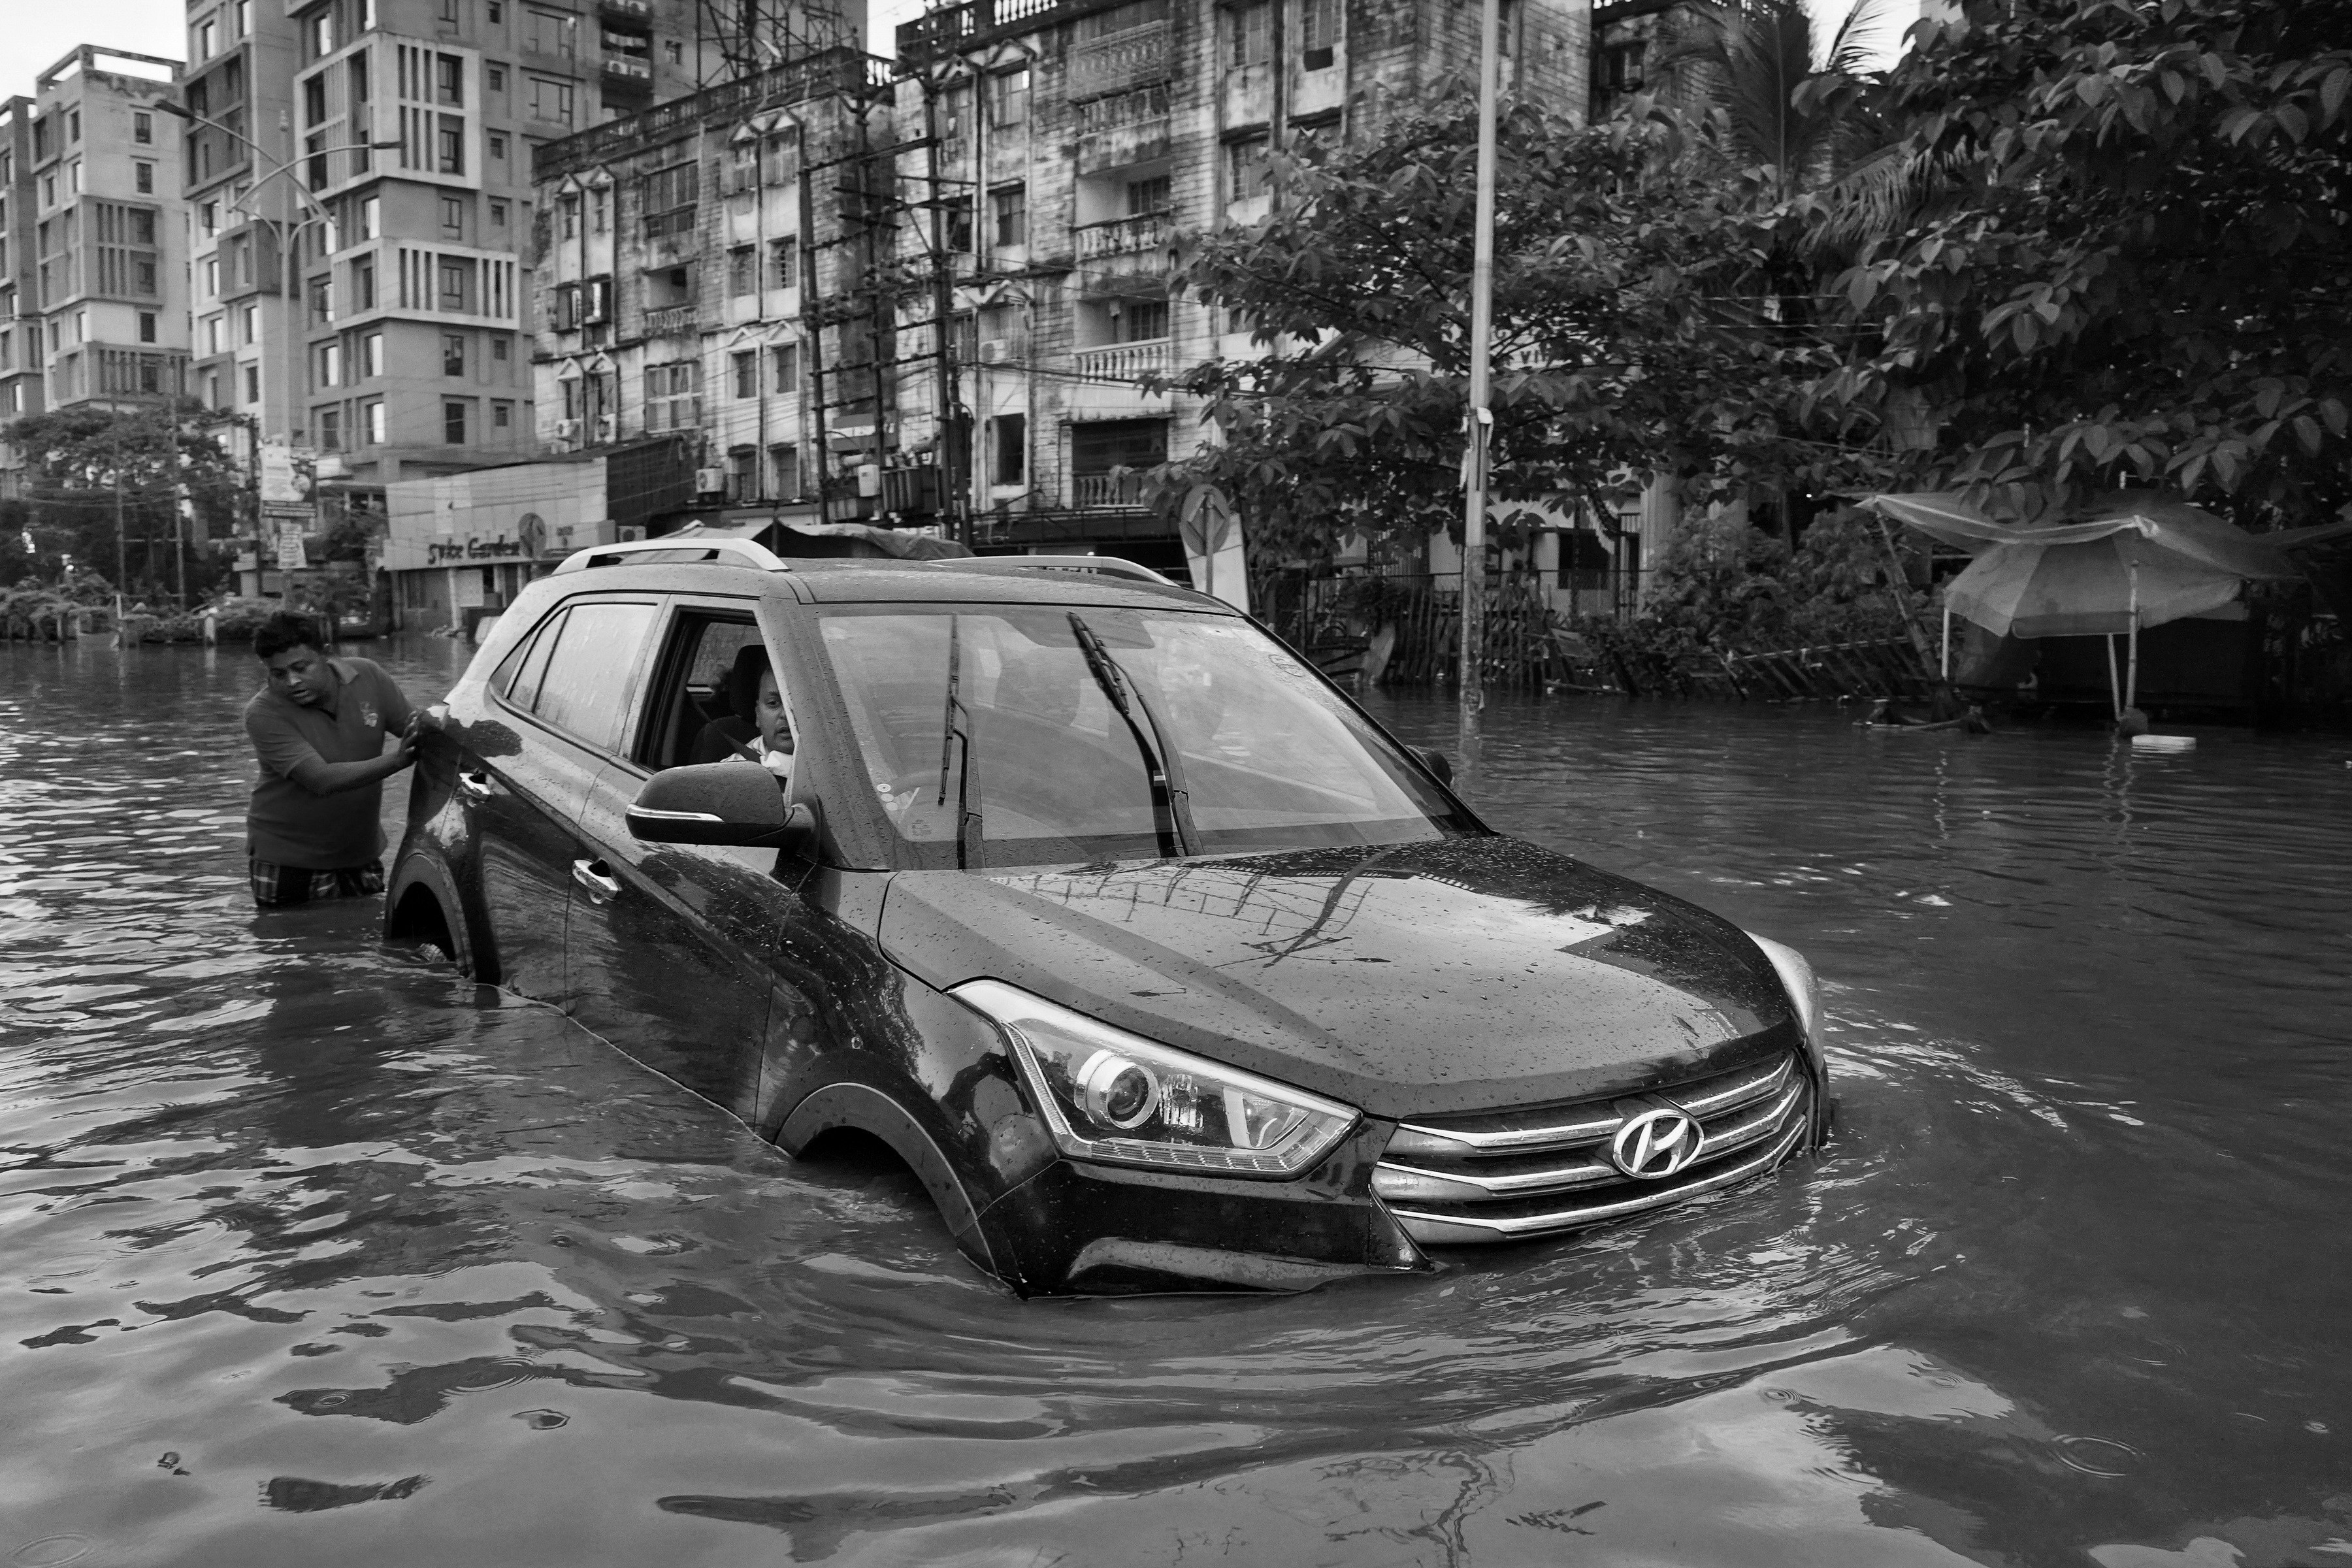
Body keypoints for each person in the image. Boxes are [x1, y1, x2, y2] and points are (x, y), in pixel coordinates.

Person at [243, 611, 422, 909]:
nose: (292, 681)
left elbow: (421, 731)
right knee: (293, 948)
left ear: (326, 654)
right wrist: (398, 760)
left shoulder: (369, 676)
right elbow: (319, 779)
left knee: (363, 942)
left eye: (301, 668)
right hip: (288, 859)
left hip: (359, 853)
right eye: (278, 674)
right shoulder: (263, 712)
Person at [689, 643, 794, 777]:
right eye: (773, 703)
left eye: (796, 705)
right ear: (758, 715)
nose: (787, 714)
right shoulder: (731, 774)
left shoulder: (827, 760)